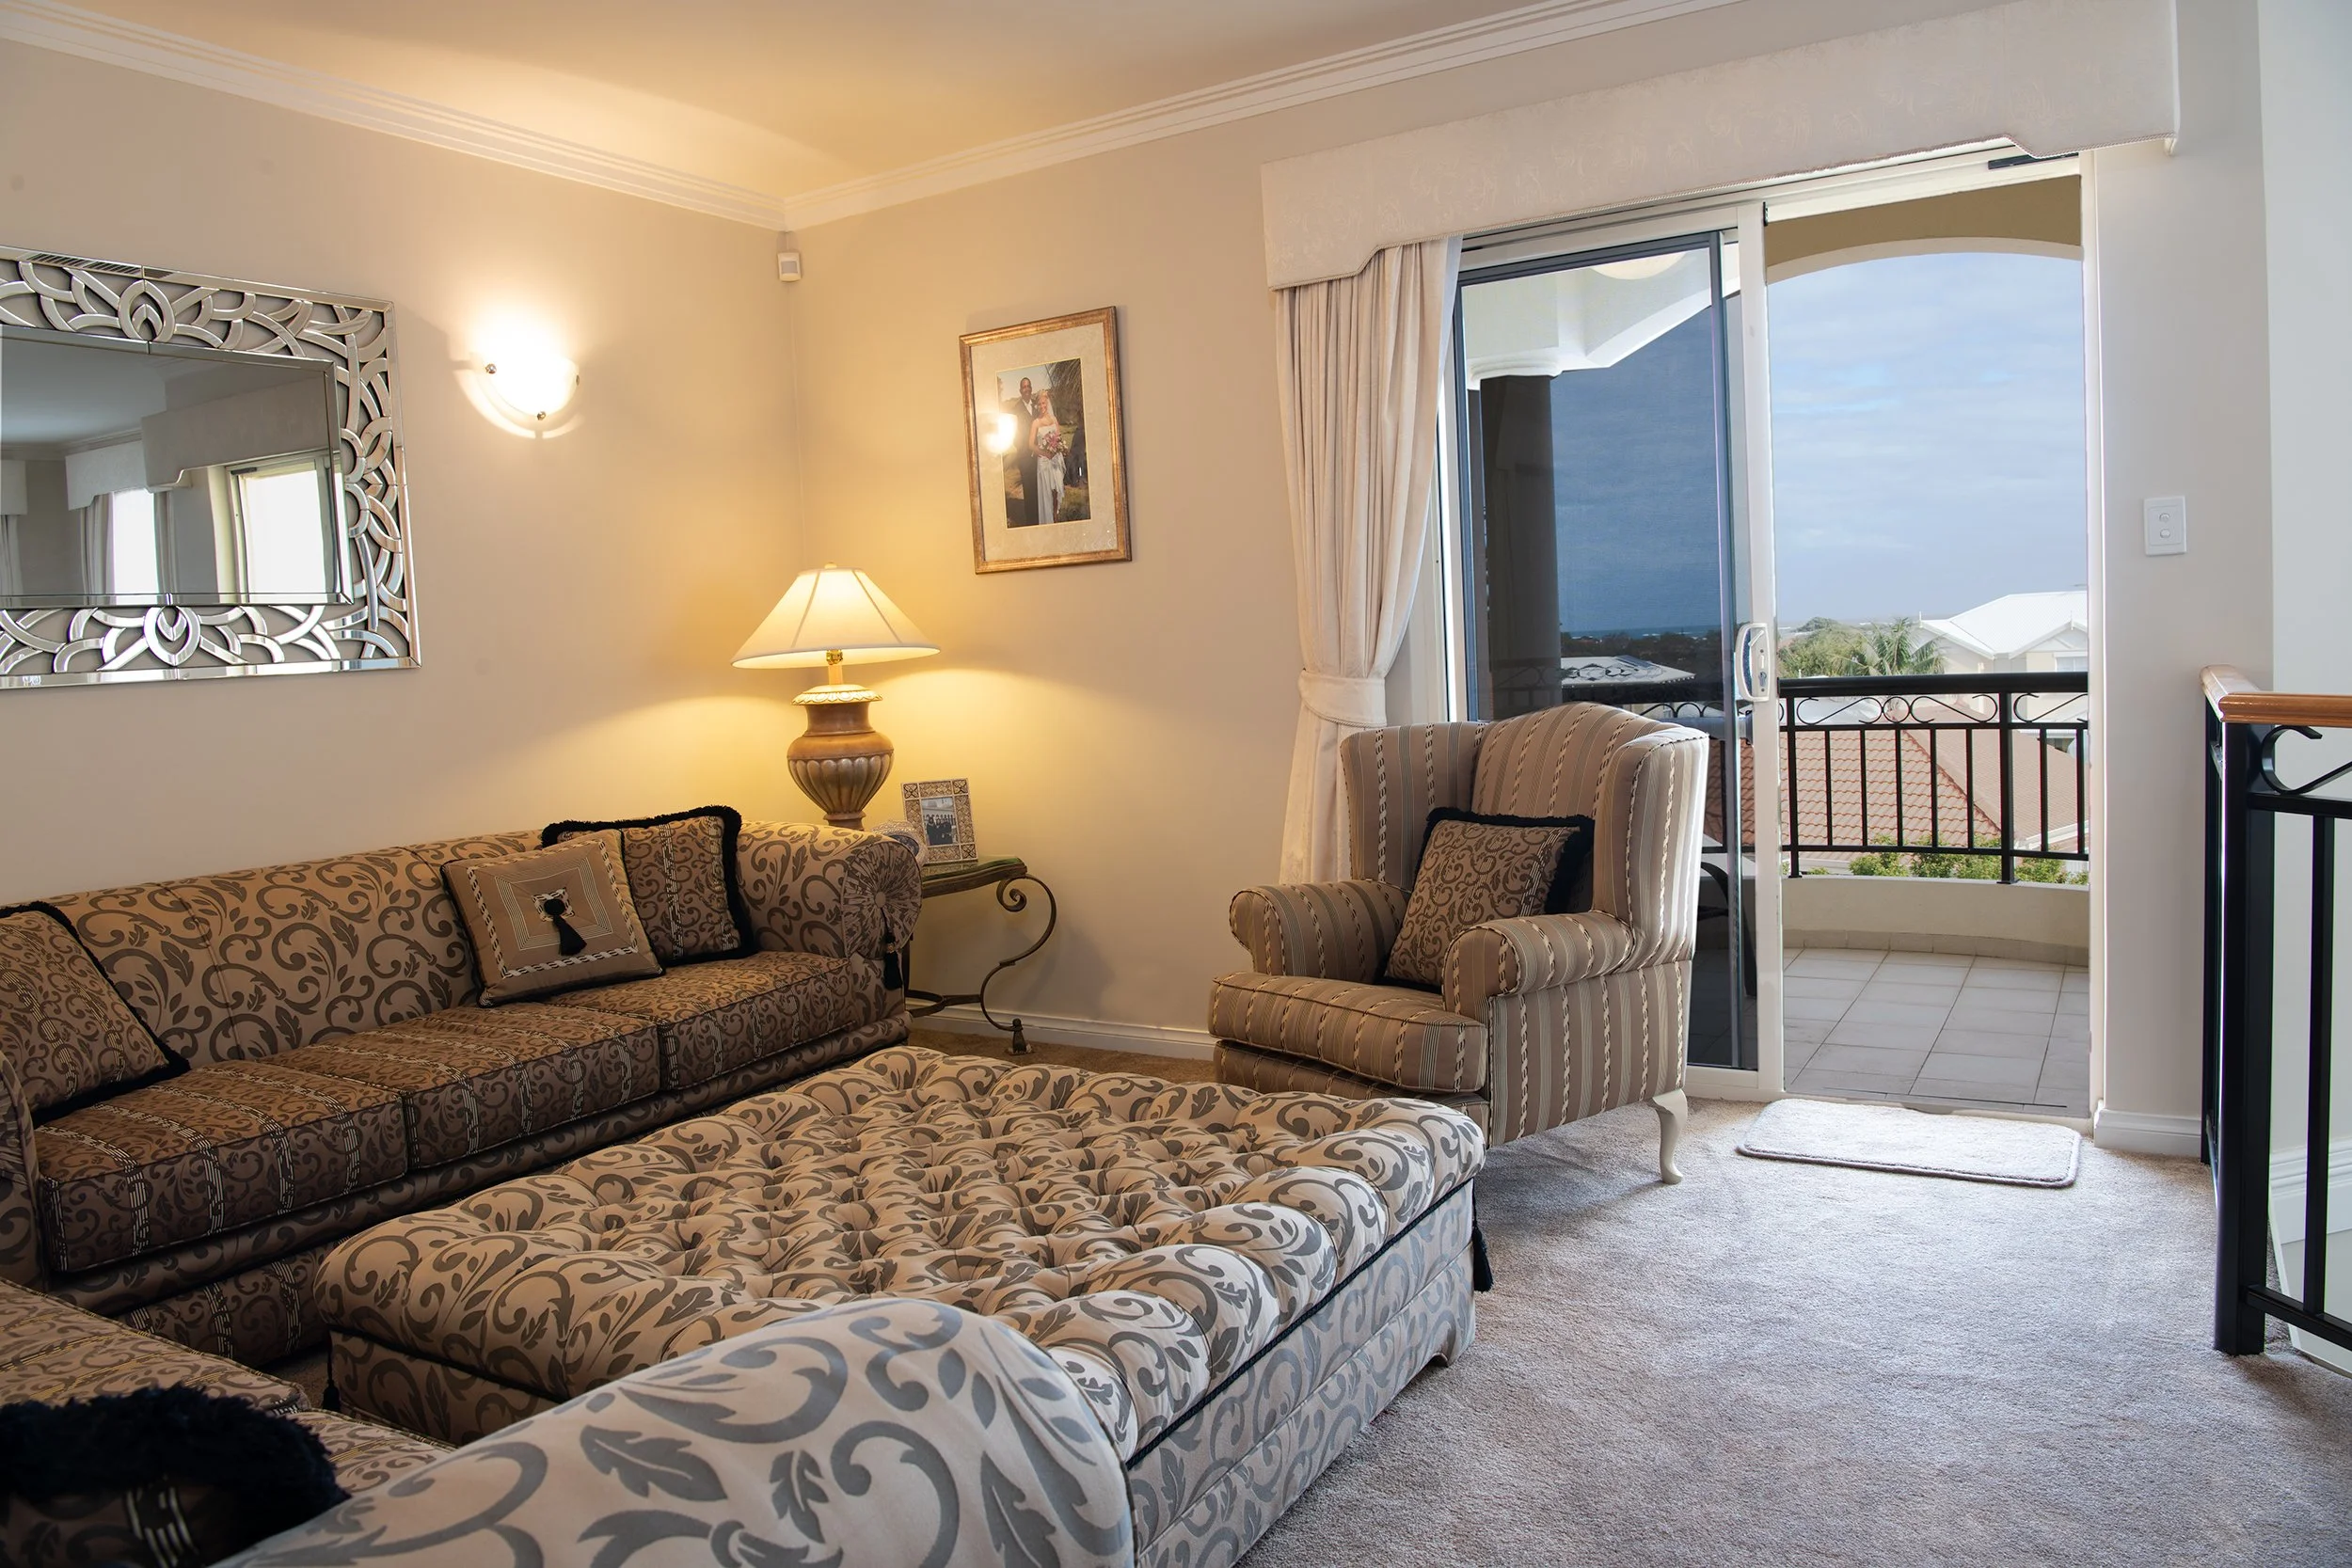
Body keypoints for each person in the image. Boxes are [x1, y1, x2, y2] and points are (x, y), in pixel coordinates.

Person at [1002, 375, 1038, 527]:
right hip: (1025, 457)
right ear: (1020, 390)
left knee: (1040, 488)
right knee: (1029, 489)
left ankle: (1042, 518)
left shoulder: (1037, 406)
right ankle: (1032, 521)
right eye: (1024, 387)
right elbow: (1015, 434)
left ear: (1031, 388)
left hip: (1041, 456)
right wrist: (1025, 449)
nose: (1026, 389)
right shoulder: (1016, 409)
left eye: (1028, 386)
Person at [1031, 389, 1065, 527]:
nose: (1042, 406)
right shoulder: (1036, 423)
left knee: (1056, 490)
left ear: (1047, 402)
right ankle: (1048, 520)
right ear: (1037, 405)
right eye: (1039, 404)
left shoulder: (1054, 420)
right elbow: (1030, 444)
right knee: (1047, 493)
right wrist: (1045, 453)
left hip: (1055, 460)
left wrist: (1058, 447)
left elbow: (1059, 437)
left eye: (1044, 403)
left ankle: (1056, 516)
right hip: (1044, 461)